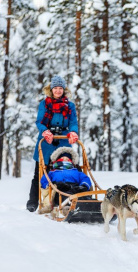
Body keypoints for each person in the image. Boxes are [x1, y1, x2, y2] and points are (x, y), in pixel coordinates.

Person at [26, 75, 79, 212]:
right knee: (40, 172)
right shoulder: (45, 104)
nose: (58, 91)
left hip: (63, 141)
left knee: (64, 171)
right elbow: (40, 122)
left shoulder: (70, 106)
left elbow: (73, 122)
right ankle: (33, 201)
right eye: (55, 88)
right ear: (51, 89)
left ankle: (63, 199)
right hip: (46, 143)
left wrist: (73, 132)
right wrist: (45, 131)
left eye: (60, 88)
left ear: (64, 89)